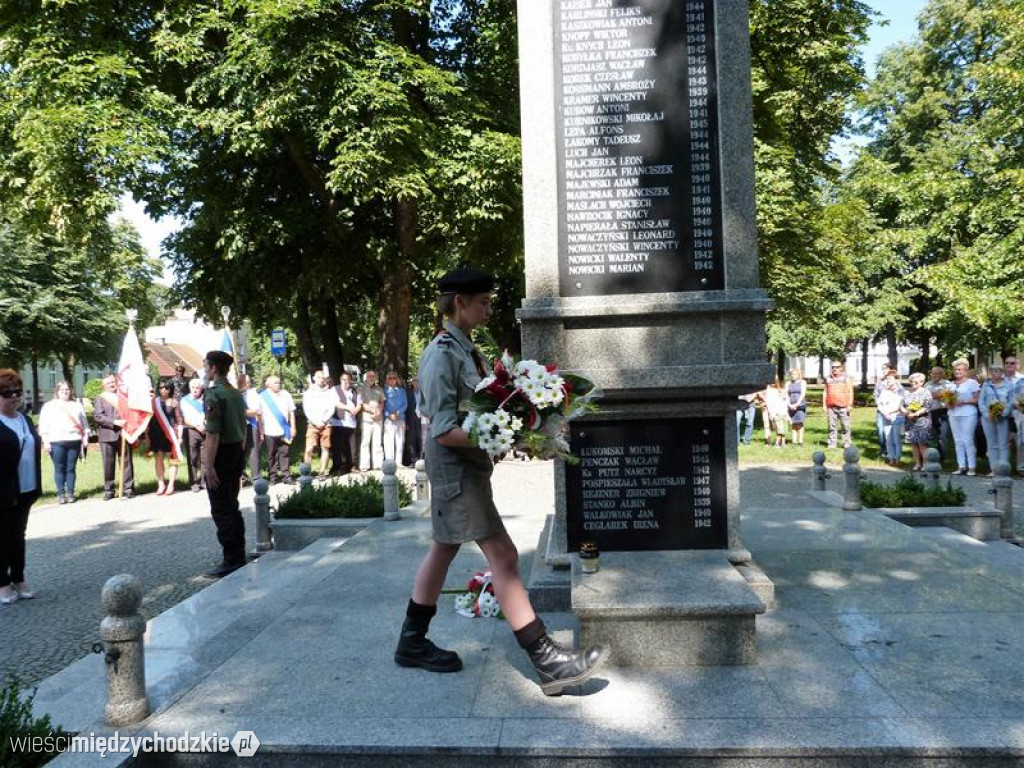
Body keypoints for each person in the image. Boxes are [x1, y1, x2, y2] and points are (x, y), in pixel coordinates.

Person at [396, 267, 606, 695]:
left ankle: (411, 641)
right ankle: (546, 660)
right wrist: (504, 436)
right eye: (483, 302)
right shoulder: (442, 353)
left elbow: (479, 414)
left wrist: (517, 433)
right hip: (455, 467)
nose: (490, 309)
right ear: (459, 302)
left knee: (444, 547)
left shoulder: (465, 349)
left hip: (466, 466)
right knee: (505, 557)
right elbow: (441, 429)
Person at [199, 350, 249, 578]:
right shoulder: (235, 393)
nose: (204, 369)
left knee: (221, 507)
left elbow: (213, 434)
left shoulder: (214, 394)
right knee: (232, 504)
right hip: (236, 451)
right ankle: (238, 552)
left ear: (213, 368)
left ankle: (232, 558)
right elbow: (245, 427)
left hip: (221, 454)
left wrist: (208, 465)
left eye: (205, 365)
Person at [0, 370, 42, 604]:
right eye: (7, 393)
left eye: (17, 392)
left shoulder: (24, 419)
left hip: (26, 486)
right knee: (2, 536)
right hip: (3, 491)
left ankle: (18, 577)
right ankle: (2, 583)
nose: (14, 397)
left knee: (18, 535)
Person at [37, 381, 88, 504]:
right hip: (56, 441)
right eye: (62, 390)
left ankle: (70, 493)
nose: (65, 392)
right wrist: (46, 441)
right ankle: (61, 494)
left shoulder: (77, 405)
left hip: (74, 440)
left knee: (71, 468)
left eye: (67, 389)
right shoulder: (49, 406)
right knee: (59, 468)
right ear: (57, 392)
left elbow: (84, 424)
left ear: (71, 391)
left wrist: (86, 436)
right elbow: (43, 425)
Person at [93, 373, 135, 500]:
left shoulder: (123, 397)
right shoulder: (100, 398)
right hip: (107, 435)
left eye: (112, 382)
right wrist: (115, 422)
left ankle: (128, 488)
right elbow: (98, 417)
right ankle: (109, 490)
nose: (111, 385)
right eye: (108, 383)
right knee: (108, 464)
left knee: (126, 463)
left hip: (124, 433)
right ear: (103, 386)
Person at [259, 375, 296, 485]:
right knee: (271, 455)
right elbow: (259, 415)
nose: (278, 385)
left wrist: (293, 427)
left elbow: (291, 412)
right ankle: (273, 477)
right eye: (275, 383)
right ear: (268, 384)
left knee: (284, 453)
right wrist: (261, 431)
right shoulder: (262, 397)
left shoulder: (286, 395)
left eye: (279, 383)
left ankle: (286, 476)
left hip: (284, 430)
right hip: (269, 430)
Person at [978, 365, 1015, 475]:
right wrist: (986, 413)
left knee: (1003, 444)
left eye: (997, 371)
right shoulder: (986, 384)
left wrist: (1003, 413)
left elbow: (1011, 402)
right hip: (988, 418)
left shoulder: (1009, 385)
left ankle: (1003, 469)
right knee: (991, 444)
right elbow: (981, 401)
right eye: (992, 371)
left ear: (1002, 372)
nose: (994, 373)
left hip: (1002, 417)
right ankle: (994, 469)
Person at [302, 370, 339, 478]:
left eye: (323, 377)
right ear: (314, 378)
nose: (321, 379)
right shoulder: (309, 392)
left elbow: (332, 408)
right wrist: (315, 421)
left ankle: (322, 472)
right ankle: (306, 472)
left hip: (326, 424)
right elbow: (306, 409)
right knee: (309, 449)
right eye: (319, 377)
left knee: (325, 448)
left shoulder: (330, 392)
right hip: (312, 424)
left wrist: (323, 421)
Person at [948, 358, 981, 476]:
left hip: (968, 413)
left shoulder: (972, 383)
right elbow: (946, 400)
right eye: (956, 370)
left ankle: (972, 467)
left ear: (966, 371)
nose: (958, 372)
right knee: (958, 440)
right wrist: (948, 402)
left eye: (960, 370)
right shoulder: (950, 384)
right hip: (954, 413)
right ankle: (961, 466)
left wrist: (964, 401)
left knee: (968, 440)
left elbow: (977, 399)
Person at [148, 382, 182, 495]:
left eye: (166, 387)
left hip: (170, 434)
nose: (163, 390)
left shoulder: (174, 402)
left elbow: (179, 420)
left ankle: (171, 484)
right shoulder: (153, 402)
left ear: (170, 389)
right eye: (161, 387)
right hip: (156, 434)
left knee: (172, 459)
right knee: (158, 459)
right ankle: (161, 484)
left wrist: (180, 436)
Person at [330, 372, 360, 475]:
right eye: (344, 379)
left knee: (352, 447)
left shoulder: (354, 391)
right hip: (339, 422)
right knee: (338, 446)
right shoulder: (335, 389)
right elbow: (336, 403)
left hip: (351, 423)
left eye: (348, 379)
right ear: (340, 380)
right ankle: (337, 467)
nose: (346, 382)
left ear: (350, 380)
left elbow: (359, 403)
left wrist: (356, 410)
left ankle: (352, 465)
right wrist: (349, 408)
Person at [902, 373, 933, 471]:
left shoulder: (926, 392)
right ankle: (917, 464)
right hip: (909, 420)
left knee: (922, 443)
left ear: (921, 382)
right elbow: (901, 405)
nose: (913, 384)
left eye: (915, 382)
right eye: (911, 382)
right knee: (913, 442)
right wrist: (907, 412)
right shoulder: (907, 392)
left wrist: (916, 414)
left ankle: (925, 464)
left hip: (922, 420)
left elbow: (927, 406)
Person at [179, 378, 206, 492]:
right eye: (193, 388)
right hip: (192, 430)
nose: (195, 390)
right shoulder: (185, 400)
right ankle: (194, 482)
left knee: (205, 458)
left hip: (205, 431)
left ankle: (204, 481)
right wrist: (196, 425)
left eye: (197, 388)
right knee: (193, 457)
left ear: (201, 389)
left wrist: (205, 425)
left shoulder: (206, 400)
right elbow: (184, 419)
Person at [873, 365, 904, 460]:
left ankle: (897, 457)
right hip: (885, 416)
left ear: (896, 380)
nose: (888, 381)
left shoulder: (900, 390)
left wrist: (891, 412)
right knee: (888, 438)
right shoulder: (884, 391)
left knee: (896, 438)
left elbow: (901, 404)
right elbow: (879, 403)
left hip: (896, 416)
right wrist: (885, 413)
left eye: (891, 379)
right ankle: (891, 457)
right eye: (887, 379)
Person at [357, 370, 384, 471]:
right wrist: (372, 410)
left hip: (378, 418)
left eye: (373, 376)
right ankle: (364, 465)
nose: (371, 378)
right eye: (369, 376)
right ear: (366, 377)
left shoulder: (379, 389)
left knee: (377, 442)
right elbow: (362, 403)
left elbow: (382, 402)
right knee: (365, 442)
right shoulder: (361, 388)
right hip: (366, 418)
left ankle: (378, 464)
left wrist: (379, 410)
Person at [237, 373, 262, 484]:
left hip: (251, 425)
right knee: (238, 452)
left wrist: (241, 412)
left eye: (243, 381)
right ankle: (241, 476)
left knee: (253, 450)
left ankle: (256, 476)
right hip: (238, 426)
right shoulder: (235, 394)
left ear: (248, 383)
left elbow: (256, 411)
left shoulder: (253, 394)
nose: (241, 383)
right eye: (240, 381)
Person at [822, 363, 853, 449]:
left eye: (837, 367)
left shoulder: (846, 378)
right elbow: (825, 392)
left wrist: (849, 404)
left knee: (845, 425)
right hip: (831, 406)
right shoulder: (828, 378)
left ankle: (846, 442)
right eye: (833, 367)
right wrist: (824, 405)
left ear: (841, 368)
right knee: (832, 425)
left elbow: (850, 391)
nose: (835, 368)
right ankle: (832, 443)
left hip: (843, 405)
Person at [925, 366, 953, 462]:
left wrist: (936, 395)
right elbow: (925, 396)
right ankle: (929, 456)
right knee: (929, 435)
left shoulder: (948, 384)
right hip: (929, 412)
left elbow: (947, 395)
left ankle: (942, 457)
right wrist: (938, 395)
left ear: (942, 374)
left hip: (942, 412)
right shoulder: (927, 385)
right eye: (934, 373)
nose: (936, 375)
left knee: (942, 436)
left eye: (938, 373)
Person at [382, 371, 408, 463]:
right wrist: (389, 414)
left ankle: (399, 462)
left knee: (400, 441)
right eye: (390, 378)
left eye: (394, 378)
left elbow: (405, 404)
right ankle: (390, 462)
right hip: (389, 419)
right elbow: (382, 405)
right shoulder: (384, 391)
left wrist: (398, 412)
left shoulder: (402, 391)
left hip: (400, 417)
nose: (392, 380)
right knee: (388, 441)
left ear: (397, 380)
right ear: (387, 380)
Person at [1004, 355, 1024, 476]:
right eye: (1007, 363)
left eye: (1012, 363)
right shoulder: (999, 379)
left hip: (1019, 413)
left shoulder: (1022, 379)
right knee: (1003, 441)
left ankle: (1021, 467)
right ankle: (1003, 467)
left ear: (1018, 365)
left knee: (1021, 442)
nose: (1009, 365)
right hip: (1002, 413)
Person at [403, 377, 422, 466]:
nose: (416, 383)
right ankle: (413, 460)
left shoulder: (424, 392)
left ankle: (422, 459)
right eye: (414, 381)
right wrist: (406, 422)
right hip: (411, 418)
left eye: (417, 381)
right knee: (412, 440)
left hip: (422, 417)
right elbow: (406, 408)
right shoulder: (408, 393)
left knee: (421, 438)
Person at [764, 379, 789, 447]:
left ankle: (783, 443)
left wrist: (787, 414)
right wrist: (771, 413)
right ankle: (777, 443)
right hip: (776, 413)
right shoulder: (771, 391)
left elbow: (786, 404)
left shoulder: (783, 392)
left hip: (783, 413)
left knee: (784, 429)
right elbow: (769, 403)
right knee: (779, 429)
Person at [786, 370, 807, 446]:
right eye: (791, 374)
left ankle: (800, 441)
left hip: (800, 404)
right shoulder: (788, 383)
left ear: (798, 375)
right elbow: (787, 395)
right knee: (793, 423)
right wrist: (789, 404)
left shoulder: (803, 382)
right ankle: (794, 441)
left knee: (800, 423)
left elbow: (803, 394)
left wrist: (797, 404)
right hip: (791, 405)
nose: (793, 375)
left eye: (795, 374)